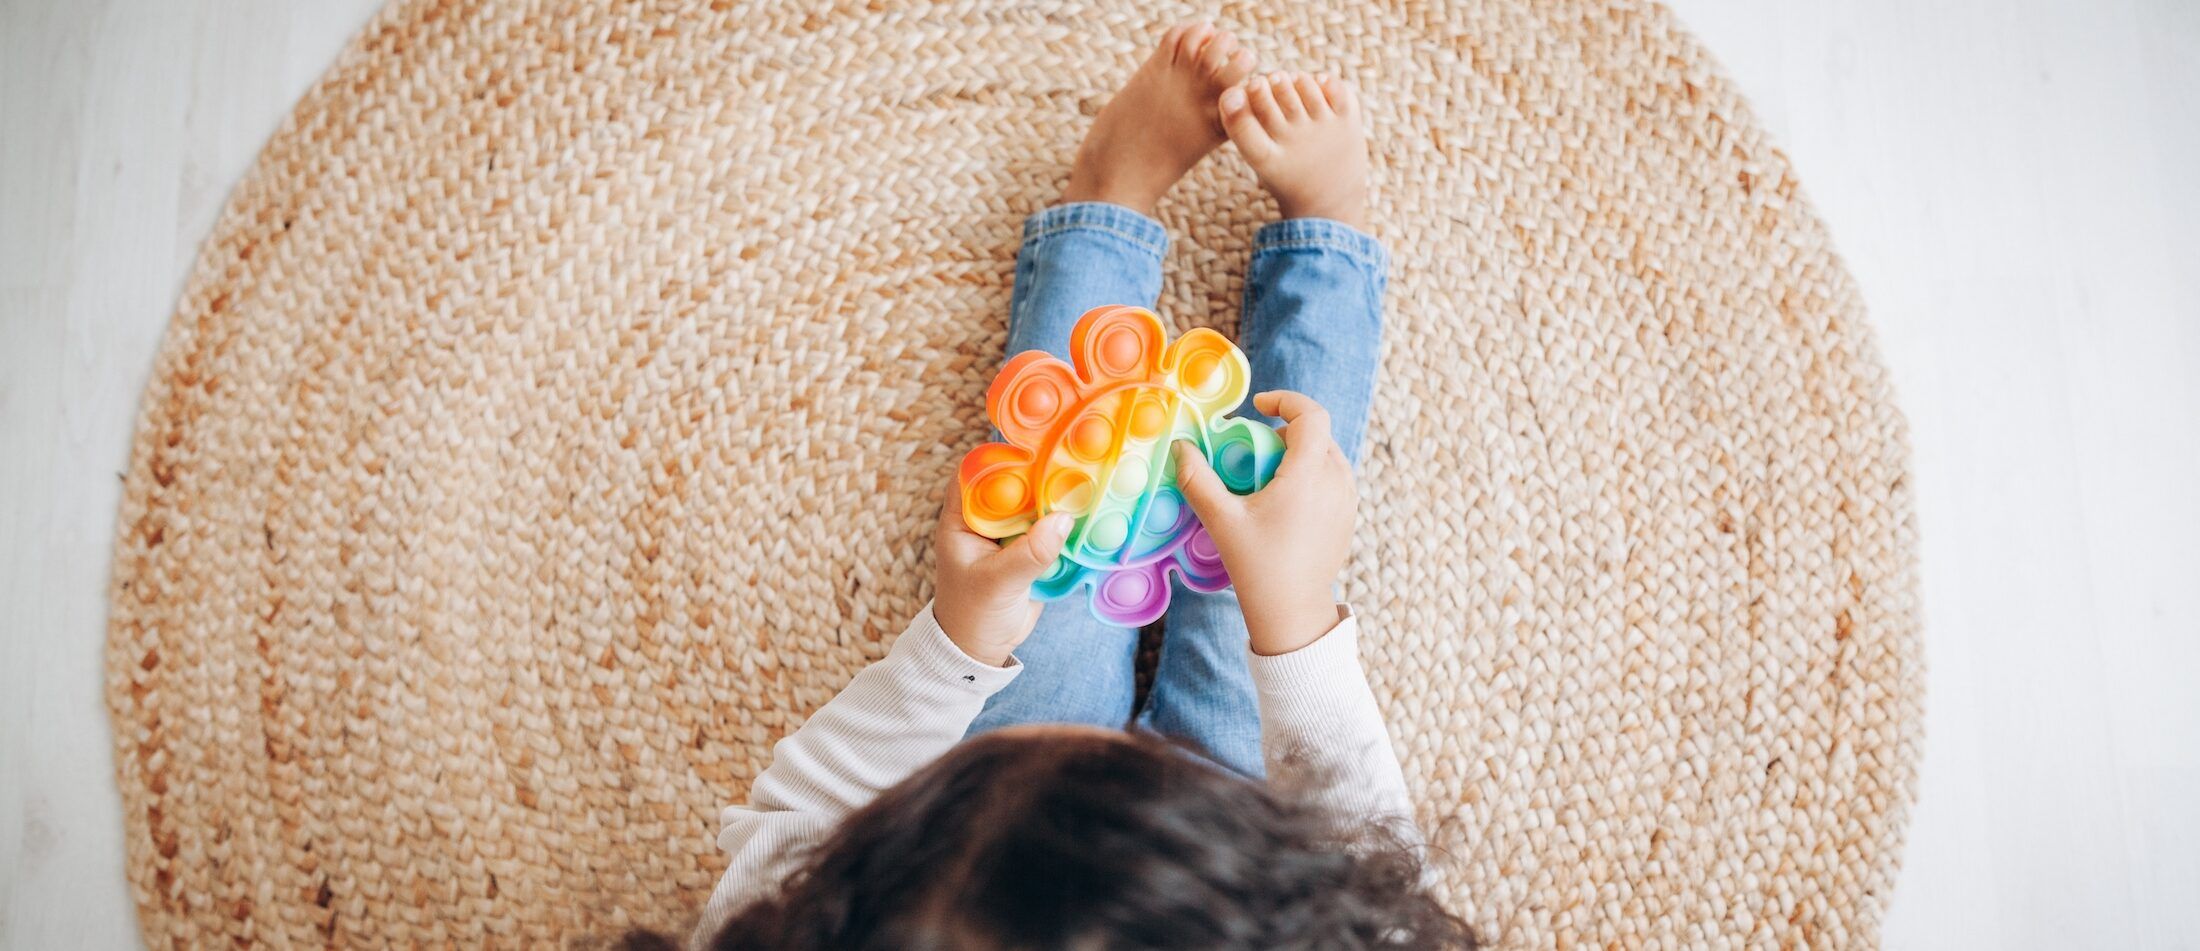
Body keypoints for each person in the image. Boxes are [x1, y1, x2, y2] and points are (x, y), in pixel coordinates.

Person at [653, 22, 1474, 950]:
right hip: (1237, 848)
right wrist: (1296, 621)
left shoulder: (803, 923)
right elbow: (1377, 887)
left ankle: (1108, 204)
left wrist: (955, 646)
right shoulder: (1304, 914)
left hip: (1010, 841)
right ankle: (1326, 240)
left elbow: (800, 818)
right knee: (1290, 482)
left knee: (1053, 476)